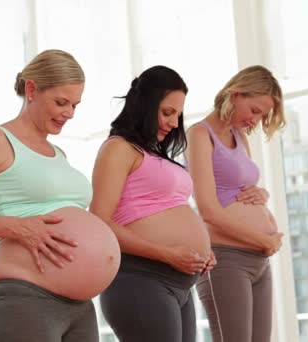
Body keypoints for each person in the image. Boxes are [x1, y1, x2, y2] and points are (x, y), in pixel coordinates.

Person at [0, 49, 120, 342]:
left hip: (80, 307)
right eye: (61, 102)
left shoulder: (59, 154)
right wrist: (17, 227)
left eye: (75, 105)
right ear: (31, 89)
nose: (69, 113)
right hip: (28, 300)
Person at [90, 65, 214, 342]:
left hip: (179, 283)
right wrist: (168, 253)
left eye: (178, 115)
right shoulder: (118, 148)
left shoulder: (156, 155)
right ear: (144, 105)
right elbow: (100, 222)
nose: (173, 123)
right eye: (167, 112)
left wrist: (200, 252)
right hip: (141, 279)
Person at [185, 65, 286, 342]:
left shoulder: (240, 137)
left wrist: (260, 194)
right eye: (254, 110)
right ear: (236, 94)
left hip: (259, 259)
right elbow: (208, 209)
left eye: (262, 115)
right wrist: (263, 239)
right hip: (226, 258)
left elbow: (241, 185)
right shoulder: (199, 135)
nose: (256, 120)